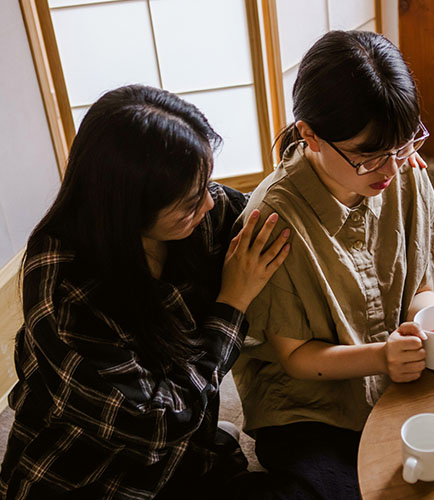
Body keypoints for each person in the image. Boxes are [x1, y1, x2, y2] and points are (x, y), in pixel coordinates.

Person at [0, 84, 290, 499]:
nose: (209, 204)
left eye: (207, 183)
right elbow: (159, 423)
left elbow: (272, 216)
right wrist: (233, 303)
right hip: (90, 476)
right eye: (190, 202)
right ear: (127, 209)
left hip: (187, 455)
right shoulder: (67, 298)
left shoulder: (196, 215)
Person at [231, 30, 434, 499]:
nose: (390, 170)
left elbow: (419, 288)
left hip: (397, 374)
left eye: (403, 146)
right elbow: (296, 359)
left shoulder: (402, 165)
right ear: (310, 134)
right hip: (309, 409)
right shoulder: (272, 219)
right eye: (368, 158)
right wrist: (381, 356)